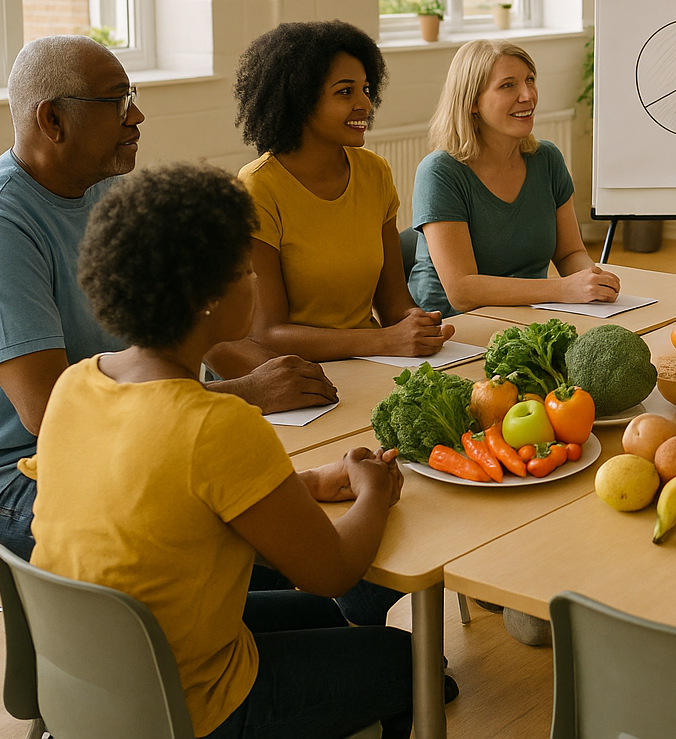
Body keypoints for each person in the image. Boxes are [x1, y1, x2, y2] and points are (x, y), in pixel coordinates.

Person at [31, 161, 413, 739]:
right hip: (189, 708)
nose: (256, 282)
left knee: (313, 618)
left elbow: (170, 496)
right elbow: (334, 570)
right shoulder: (217, 423)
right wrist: (375, 493)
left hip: (87, 675)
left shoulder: (76, 384)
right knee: (405, 661)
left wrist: (308, 483)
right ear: (208, 298)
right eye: (245, 270)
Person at [0, 36, 335, 562]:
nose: (136, 114)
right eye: (117, 100)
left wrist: (271, 375)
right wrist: (248, 393)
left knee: (296, 507)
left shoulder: (103, 189)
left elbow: (178, 320)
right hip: (11, 476)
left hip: (126, 439)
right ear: (53, 120)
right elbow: (50, 413)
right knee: (271, 531)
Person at [234, 20, 454, 362]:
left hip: (372, 362)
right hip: (303, 377)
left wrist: (418, 325)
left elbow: (394, 302)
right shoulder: (259, 186)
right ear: (300, 99)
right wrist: (384, 342)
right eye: (345, 91)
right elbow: (268, 334)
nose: (365, 104)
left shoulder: (374, 172)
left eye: (366, 89)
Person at [409, 39, 619, 315]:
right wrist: (565, 289)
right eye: (508, 85)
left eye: (530, 80)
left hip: (530, 315)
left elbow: (569, 254)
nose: (528, 95)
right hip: (455, 329)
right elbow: (462, 291)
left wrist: (591, 279)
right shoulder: (440, 172)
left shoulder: (547, 159)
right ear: (472, 102)